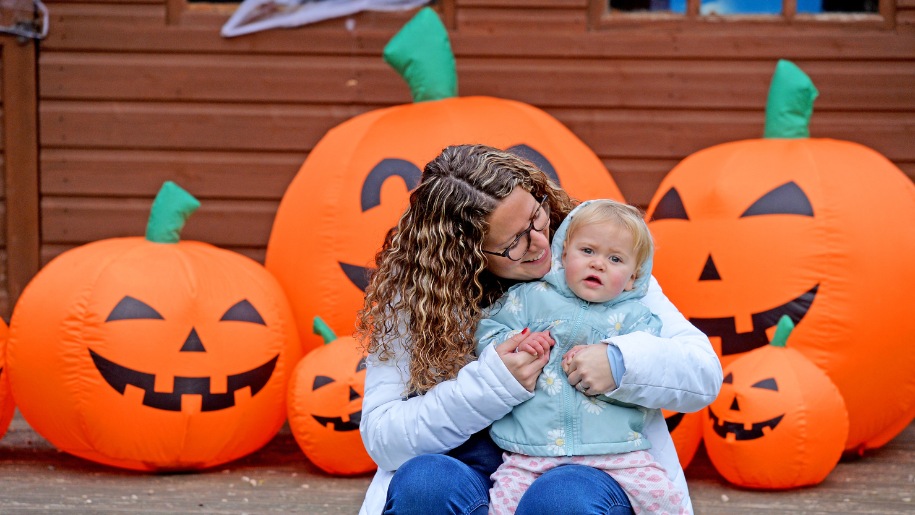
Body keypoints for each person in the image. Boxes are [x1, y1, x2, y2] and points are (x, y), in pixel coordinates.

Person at [357, 144, 722, 515]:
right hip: (472, 475)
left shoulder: (594, 263)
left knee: (560, 498)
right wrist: (492, 384)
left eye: (536, 215)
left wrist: (621, 362)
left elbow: (703, 373)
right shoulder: (419, 300)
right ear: (468, 256)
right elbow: (384, 439)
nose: (540, 242)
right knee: (424, 483)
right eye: (513, 241)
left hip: (585, 468)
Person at [475, 199, 687, 514]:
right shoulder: (530, 299)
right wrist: (517, 341)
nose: (598, 264)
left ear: (632, 278)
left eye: (615, 258)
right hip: (530, 452)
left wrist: (615, 356)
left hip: (617, 452)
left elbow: (650, 367)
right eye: (587, 251)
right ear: (563, 255)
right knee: (502, 506)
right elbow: (486, 332)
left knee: (666, 499)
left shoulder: (637, 319)